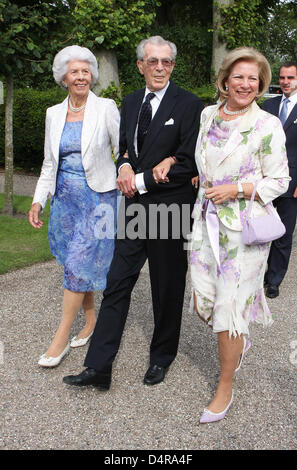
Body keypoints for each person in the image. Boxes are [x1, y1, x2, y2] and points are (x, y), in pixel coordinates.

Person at [63, 35, 204, 389]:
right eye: (153, 61)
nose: (160, 68)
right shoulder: (129, 101)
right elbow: (125, 148)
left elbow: (188, 161)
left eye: (166, 62)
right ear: (140, 64)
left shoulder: (189, 104)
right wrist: (124, 165)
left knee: (166, 287)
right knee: (116, 284)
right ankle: (98, 368)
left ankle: (161, 358)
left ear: (172, 65)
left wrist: (138, 178)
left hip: (170, 209)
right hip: (134, 212)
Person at [190, 47, 290, 423]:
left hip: (244, 230)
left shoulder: (267, 125)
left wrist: (238, 189)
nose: (246, 84)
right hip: (205, 225)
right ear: (225, 80)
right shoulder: (207, 115)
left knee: (228, 309)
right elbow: (206, 160)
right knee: (203, 301)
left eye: (254, 78)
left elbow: (280, 179)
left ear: (261, 84)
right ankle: (238, 338)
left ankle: (225, 385)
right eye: (239, 76)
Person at [28, 45, 120, 367]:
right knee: (76, 266)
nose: (81, 77)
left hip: (99, 201)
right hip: (65, 203)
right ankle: (91, 320)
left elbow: (123, 154)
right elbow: (49, 163)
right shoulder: (53, 114)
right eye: (74, 72)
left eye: (85, 71)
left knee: (79, 265)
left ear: (91, 75)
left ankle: (61, 337)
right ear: (63, 77)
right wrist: (39, 200)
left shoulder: (106, 108)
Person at [262, 62, 297, 298]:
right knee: (260, 232)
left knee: (283, 235)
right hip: (264, 180)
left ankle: (273, 280)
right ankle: (255, 275)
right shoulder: (268, 105)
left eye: (291, 77)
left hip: (291, 184)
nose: (285, 81)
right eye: (282, 77)